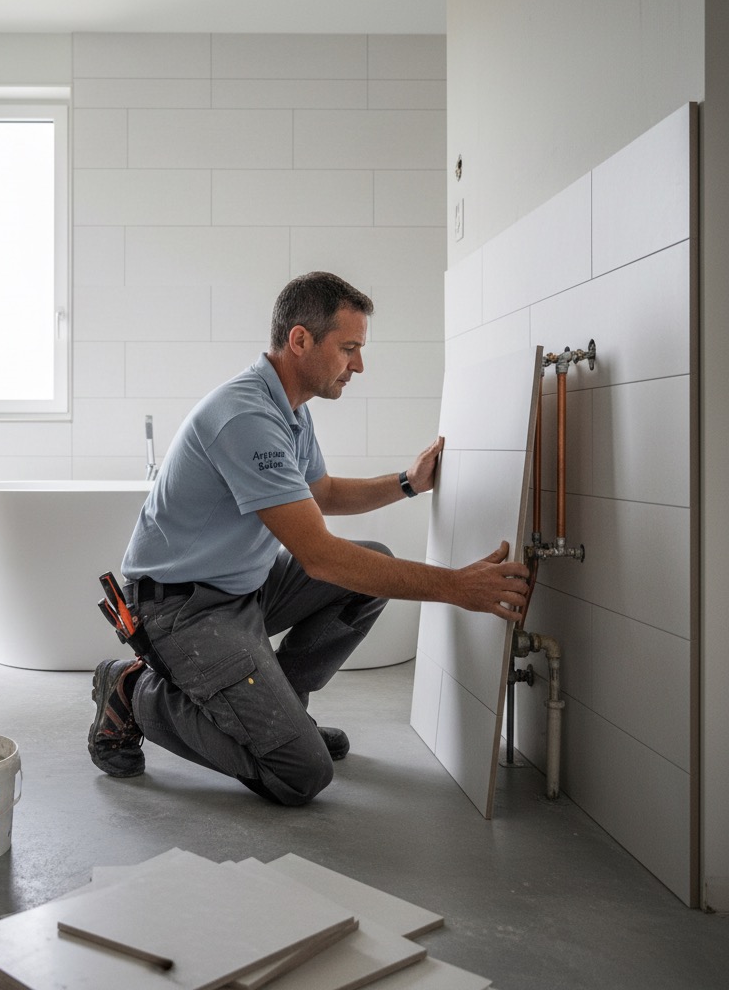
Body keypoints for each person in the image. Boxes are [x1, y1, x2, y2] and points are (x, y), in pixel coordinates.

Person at [87, 271, 529, 806]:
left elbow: (319, 492)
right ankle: (132, 692)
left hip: (243, 585)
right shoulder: (246, 416)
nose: (358, 365)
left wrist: (409, 483)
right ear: (300, 340)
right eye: (348, 348)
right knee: (299, 774)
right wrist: (456, 586)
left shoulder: (291, 408)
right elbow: (319, 557)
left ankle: (282, 712)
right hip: (182, 609)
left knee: (373, 569)